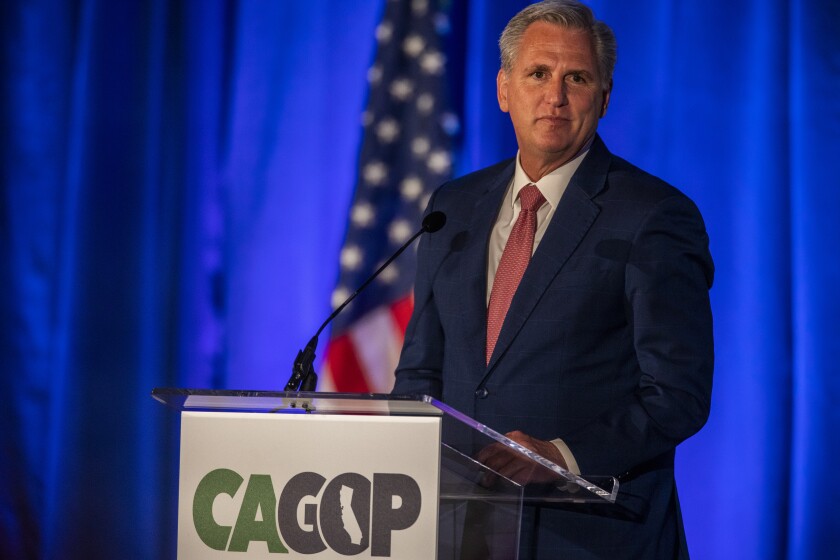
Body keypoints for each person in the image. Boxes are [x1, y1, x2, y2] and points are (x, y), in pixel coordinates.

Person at [392, 0, 714, 558]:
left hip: (592, 536)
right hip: (460, 530)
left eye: (577, 78)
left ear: (604, 97)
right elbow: (421, 371)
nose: (555, 96)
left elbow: (678, 394)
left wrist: (561, 456)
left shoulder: (654, 215)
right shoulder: (453, 207)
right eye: (538, 73)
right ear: (504, 89)